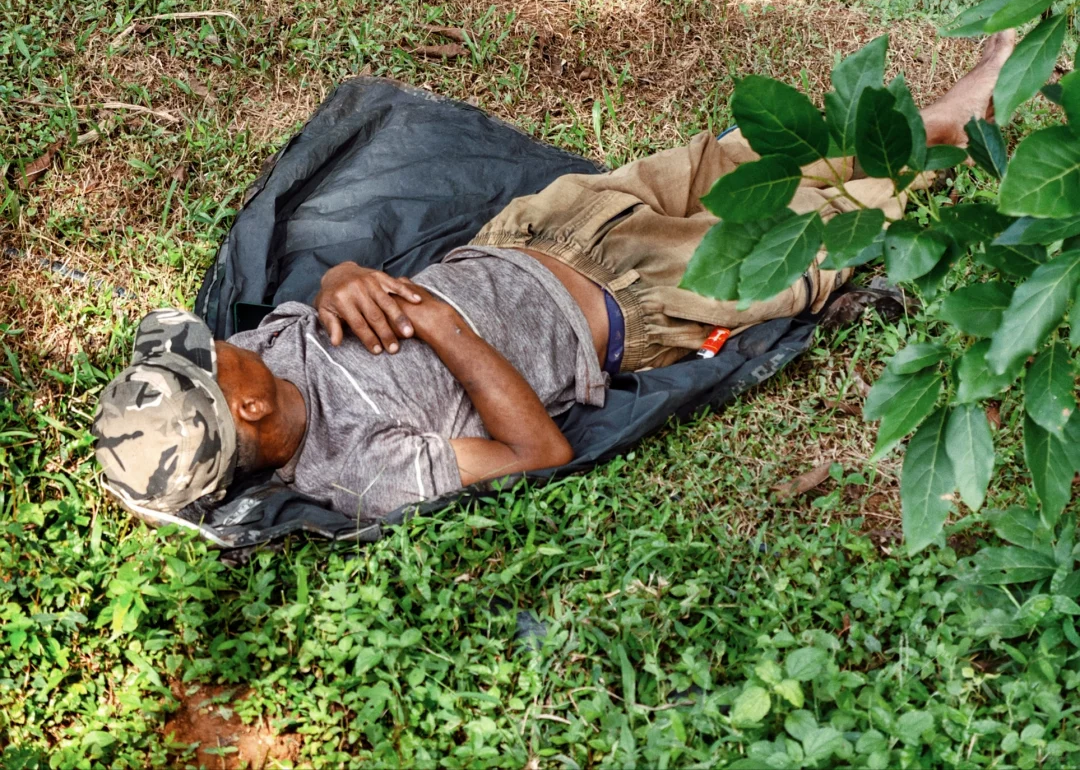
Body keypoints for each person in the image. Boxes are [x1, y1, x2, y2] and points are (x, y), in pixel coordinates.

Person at [93, 34, 1013, 523]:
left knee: (742, 157)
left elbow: (323, 284)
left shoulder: (257, 351)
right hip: (639, 303)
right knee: (816, 231)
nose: (217, 341)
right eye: (206, 363)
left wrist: (339, 275)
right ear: (244, 412)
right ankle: (981, 152)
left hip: (548, 228)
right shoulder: (362, 467)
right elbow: (540, 455)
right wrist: (447, 332)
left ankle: (943, 118)